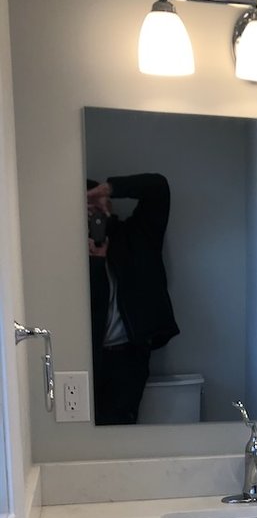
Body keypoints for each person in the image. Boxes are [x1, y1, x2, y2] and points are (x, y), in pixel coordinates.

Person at [87, 173, 179, 424]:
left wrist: (110, 188)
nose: (93, 215)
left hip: (128, 358)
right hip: (84, 361)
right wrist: (96, 263)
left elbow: (158, 187)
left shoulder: (137, 237)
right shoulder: (67, 253)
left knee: (120, 433)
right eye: (86, 210)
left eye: (96, 206)